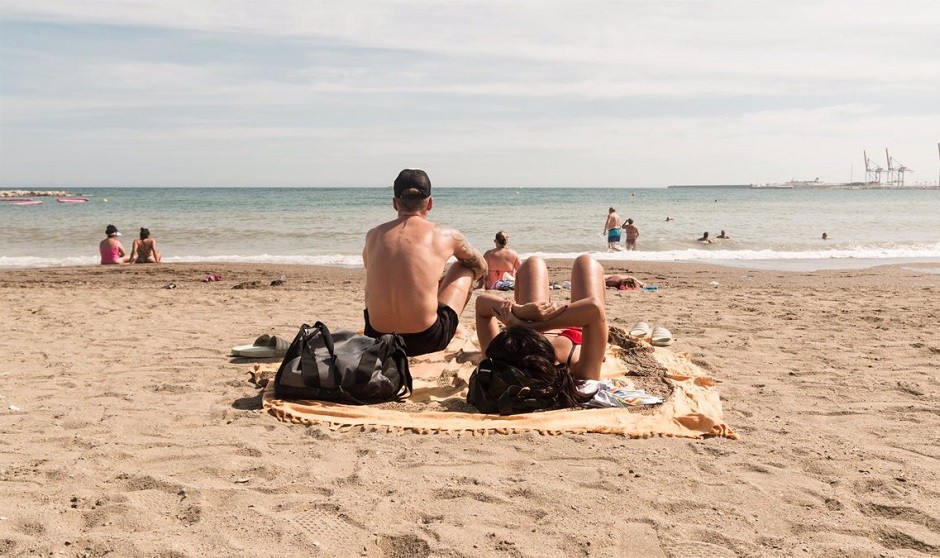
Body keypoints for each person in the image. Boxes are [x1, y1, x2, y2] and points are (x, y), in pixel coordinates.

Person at [362, 169, 487, 356]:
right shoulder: (446, 235)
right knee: (463, 267)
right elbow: (480, 265)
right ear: (429, 204)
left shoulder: (373, 235)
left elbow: (370, 267)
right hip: (426, 339)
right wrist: (480, 276)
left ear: (395, 203)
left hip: (377, 338)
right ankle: (455, 326)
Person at [475, 254, 609, 381]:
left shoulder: (501, 364)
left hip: (533, 326)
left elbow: (481, 304)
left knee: (532, 263)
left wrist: (521, 311)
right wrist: (528, 326)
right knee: (586, 262)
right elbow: (594, 310)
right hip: (581, 327)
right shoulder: (580, 372)